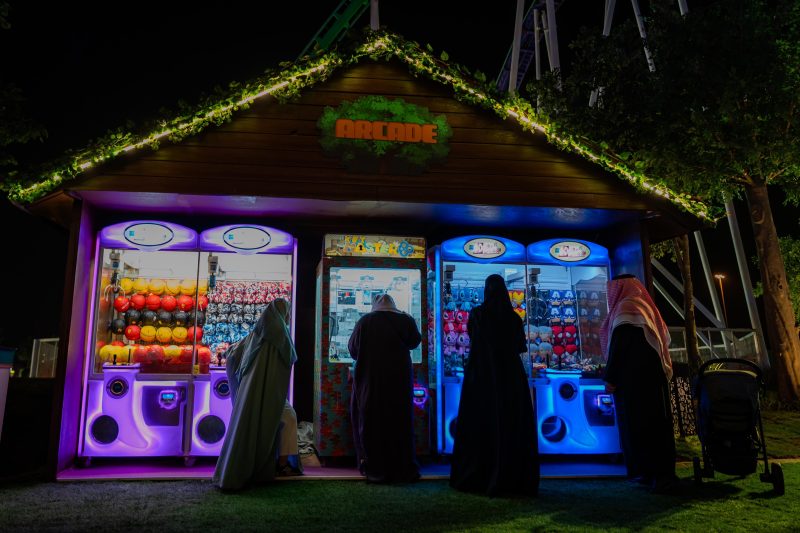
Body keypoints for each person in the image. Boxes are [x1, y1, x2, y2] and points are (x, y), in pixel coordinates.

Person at [450, 274, 539, 496]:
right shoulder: (513, 318)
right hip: (510, 376)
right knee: (509, 422)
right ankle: (510, 475)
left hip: (481, 373)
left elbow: (473, 338)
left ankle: (479, 475)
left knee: (480, 422)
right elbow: (520, 347)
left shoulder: (478, 314)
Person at [212, 298, 302, 490]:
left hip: (254, 392)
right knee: (288, 418)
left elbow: (234, 354)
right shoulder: (278, 334)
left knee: (280, 420)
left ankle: (280, 463)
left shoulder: (259, 332)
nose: (288, 316)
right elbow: (290, 356)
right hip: (269, 393)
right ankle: (282, 464)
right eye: (287, 312)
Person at [600, 274, 678, 493]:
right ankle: (658, 473)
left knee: (638, 426)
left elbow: (619, 347)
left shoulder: (626, 309)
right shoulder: (644, 306)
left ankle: (647, 473)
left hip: (633, 382)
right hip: (652, 380)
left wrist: (610, 378)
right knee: (655, 426)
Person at [348, 293, 422, 483]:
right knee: (399, 422)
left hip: (371, 381)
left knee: (373, 422)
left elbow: (353, 350)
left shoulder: (365, 321)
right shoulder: (406, 320)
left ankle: (375, 469)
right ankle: (402, 468)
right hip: (399, 382)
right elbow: (415, 341)